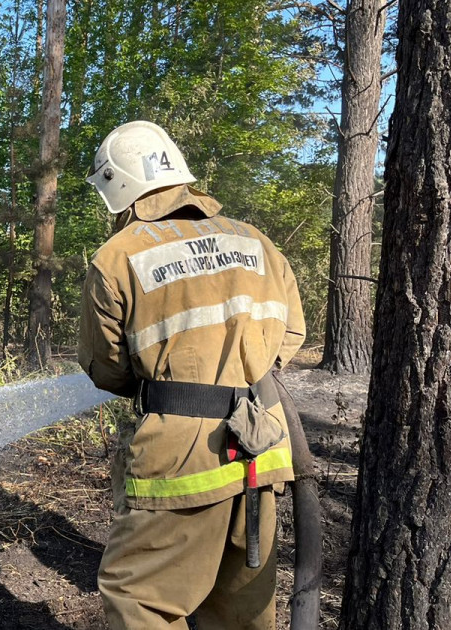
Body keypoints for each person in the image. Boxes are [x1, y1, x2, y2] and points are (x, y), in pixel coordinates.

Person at [78, 120, 305, 630]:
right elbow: (292, 335)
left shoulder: (119, 256)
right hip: (261, 445)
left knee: (141, 602)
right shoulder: (257, 242)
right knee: (242, 613)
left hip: (181, 458)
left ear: (118, 187)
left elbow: (106, 367)